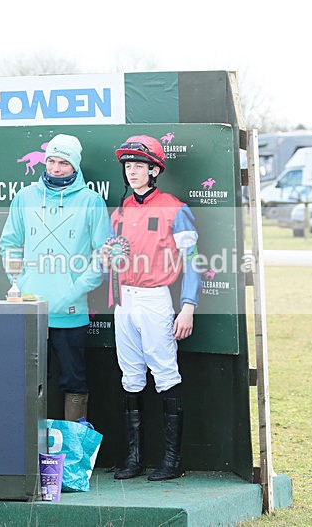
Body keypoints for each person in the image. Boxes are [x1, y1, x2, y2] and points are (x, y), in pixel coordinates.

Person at [102, 135, 201, 481]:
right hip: (123, 301)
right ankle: (134, 458)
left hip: (156, 299)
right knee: (130, 376)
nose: (132, 172)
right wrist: (104, 260)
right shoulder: (121, 209)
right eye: (128, 166)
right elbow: (109, 261)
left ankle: (172, 461)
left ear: (154, 169)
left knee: (164, 374)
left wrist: (187, 307)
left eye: (139, 166)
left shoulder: (175, 207)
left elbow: (193, 262)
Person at [0, 134, 111, 422]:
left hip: (71, 314)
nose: (56, 167)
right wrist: (20, 282)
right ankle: (33, 456)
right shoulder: (25, 197)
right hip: (31, 310)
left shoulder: (91, 202)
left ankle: (70, 458)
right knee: (31, 383)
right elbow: (10, 242)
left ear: (74, 166)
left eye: (64, 162)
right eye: (51, 161)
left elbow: (104, 255)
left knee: (74, 382)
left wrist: (74, 290)